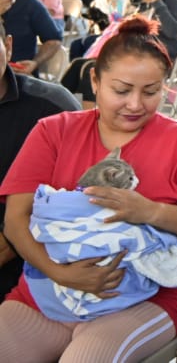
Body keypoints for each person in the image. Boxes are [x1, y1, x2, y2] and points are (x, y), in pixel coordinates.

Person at [0, 16, 177, 361]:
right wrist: (59, 273)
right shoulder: (54, 131)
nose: (136, 104)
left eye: (151, 92)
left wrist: (150, 212)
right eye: (121, 91)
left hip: (147, 301)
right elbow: (16, 220)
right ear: (94, 80)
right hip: (46, 292)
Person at [0, 20, 80, 299]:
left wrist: (16, 239)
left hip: (36, 260)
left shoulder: (52, 109)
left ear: (8, 46)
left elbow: (83, 194)